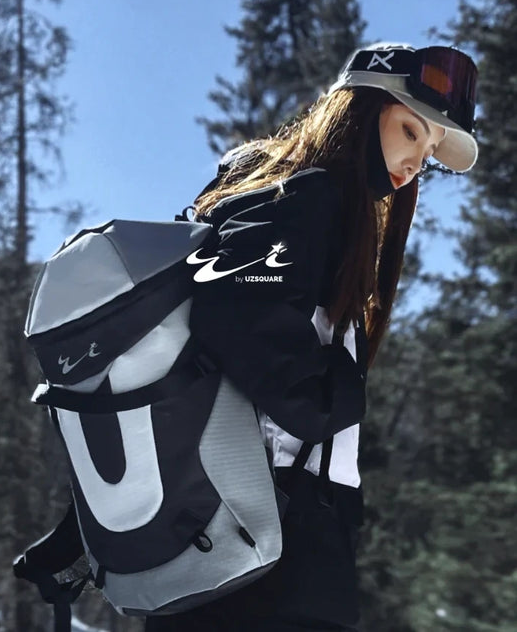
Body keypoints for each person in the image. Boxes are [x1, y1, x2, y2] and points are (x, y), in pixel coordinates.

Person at [145, 43, 478, 631]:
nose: (414, 164)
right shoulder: (309, 196)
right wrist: (340, 394)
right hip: (275, 535)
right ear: (360, 109)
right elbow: (236, 314)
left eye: (429, 154)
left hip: (230, 530)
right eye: (410, 131)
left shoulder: (290, 196)